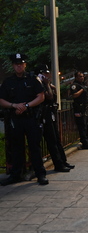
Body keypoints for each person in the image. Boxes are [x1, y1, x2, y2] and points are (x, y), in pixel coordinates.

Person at [0, 53, 49, 185]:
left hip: (31, 117)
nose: (19, 66)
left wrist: (26, 106)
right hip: (16, 118)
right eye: (16, 64)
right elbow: (1, 100)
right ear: (13, 66)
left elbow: (41, 96)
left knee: (35, 147)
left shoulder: (33, 79)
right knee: (17, 148)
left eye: (21, 64)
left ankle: (40, 174)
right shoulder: (8, 82)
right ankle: (16, 175)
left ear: (25, 64)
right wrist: (14, 105)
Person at [36, 64, 75, 172]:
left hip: (51, 113)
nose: (48, 75)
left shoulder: (47, 84)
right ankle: (58, 164)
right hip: (44, 115)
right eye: (45, 73)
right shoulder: (40, 85)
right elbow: (49, 96)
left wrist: (51, 86)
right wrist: (48, 85)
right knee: (52, 141)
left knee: (57, 140)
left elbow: (54, 98)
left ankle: (63, 161)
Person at [69, 71, 88, 149]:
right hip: (78, 108)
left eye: (82, 76)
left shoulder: (83, 85)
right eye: (80, 76)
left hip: (84, 107)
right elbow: (74, 95)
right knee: (82, 126)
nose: (82, 78)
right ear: (76, 77)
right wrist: (82, 90)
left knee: (86, 126)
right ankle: (85, 143)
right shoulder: (75, 85)